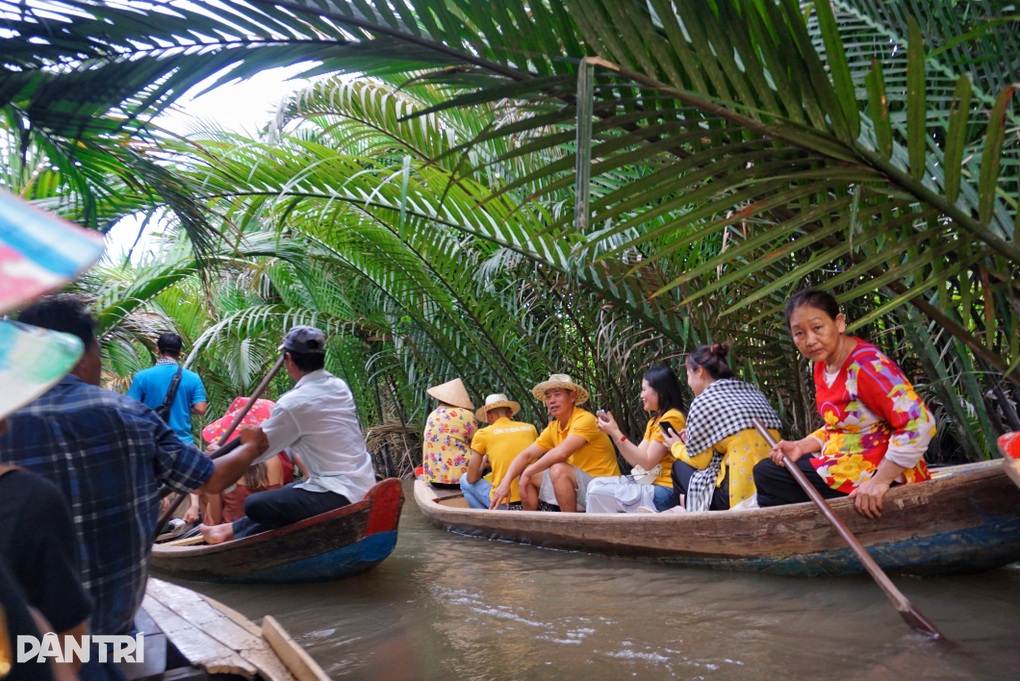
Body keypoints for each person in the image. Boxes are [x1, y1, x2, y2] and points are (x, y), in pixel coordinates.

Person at [0, 295, 270, 649]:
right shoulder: (133, 413)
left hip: (26, 645)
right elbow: (213, 471)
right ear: (79, 357)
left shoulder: (6, 423)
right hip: (115, 632)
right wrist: (252, 447)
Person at [752, 290, 935, 518]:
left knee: (766, 474)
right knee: (778, 469)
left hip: (879, 470)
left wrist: (880, 481)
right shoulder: (823, 363)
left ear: (838, 323)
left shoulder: (866, 366)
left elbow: (920, 422)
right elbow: (842, 424)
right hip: (845, 462)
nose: (810, 340)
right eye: (799, 333)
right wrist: (802, 445)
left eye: (817, 327)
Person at [199, 325, 377, 544]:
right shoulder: (339, 386)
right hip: (364, 484)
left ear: (289, 360)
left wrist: (219, 453)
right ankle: (229, 530)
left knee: (254, 505)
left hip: (339, 493)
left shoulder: (293, 403)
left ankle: (232, 533)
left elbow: (257, 451)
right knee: (291, 489)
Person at [662, 344, 782, 511]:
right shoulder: (751, 391)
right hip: (775, 482)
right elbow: (734, 436)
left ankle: (688, 523)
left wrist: (676, 446)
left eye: (688, 374)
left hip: (737, 493)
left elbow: (700, 462)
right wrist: (695, 440)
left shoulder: (703, 401)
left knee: (679, 467)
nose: (688, 383)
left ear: (700, 371)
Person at [490, 374, 620, 512]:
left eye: (557, 394)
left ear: (572, 397)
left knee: (557, 469)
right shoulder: (554, 427)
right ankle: (529, 523)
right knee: (525, 471)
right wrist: (505, 482)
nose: (552, 401)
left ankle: (569, 526)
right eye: (548, 396)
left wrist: (529, 472)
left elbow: (561, 453)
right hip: (580, 489)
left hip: (604, 490)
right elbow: (526, 455)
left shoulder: (585, 419)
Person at [585, 365, 687, 513]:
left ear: (660, 391)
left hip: (666, 491)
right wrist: (614, 433)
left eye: (644, 389)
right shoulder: (654, 421)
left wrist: (616, 433)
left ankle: (601, 535)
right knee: (595, 484)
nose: (641, 395)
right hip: (649, 484)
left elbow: (647, 462)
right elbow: (636, 460)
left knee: (597, 492)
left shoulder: (672, 417)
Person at [201, 397, 294, 523]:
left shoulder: (226, 466)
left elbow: (214, 520)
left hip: (232, 532)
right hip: (265, 527)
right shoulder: (275, 460)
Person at [459, 393, 538, 509]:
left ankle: (486, 518)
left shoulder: (483, 434)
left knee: (464, 480)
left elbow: (471, 478)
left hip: (506, 503)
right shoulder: (531, 428)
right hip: (532, 501)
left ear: (488, 416)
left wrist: (484, 464)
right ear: (510, 413)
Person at [422, 378, 477, 486]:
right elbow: (477, 443)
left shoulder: (432, 415)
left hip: (434, 479)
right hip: (461, 479)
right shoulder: (466, 415)